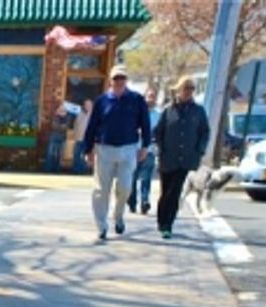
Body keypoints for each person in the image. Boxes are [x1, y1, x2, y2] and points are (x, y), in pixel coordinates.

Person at [82, 65, 152, 240]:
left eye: (122, 78)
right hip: (104, 148)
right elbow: (91, 127)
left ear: (126, 80)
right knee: (101, 190)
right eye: (116, 78)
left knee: (125, 187)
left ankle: (118, 215)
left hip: (128, 149)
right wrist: (88, 149)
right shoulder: (102, 101)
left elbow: (145, 125)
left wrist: (145, 147)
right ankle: (101, 225)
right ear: (110, 81)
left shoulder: (137, 100)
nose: (119, 82)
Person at [153, 77, 210, 240]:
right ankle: (161, 219)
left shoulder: (198, 111)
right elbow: (158, 131)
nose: (188, 92)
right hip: (168, 158)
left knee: (175, 191)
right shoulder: (168, 110)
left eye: (191, 89)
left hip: (186, 158)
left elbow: (205, 132)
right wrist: (161, 148)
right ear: (179, 90)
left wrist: (199, 150)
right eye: (186, 88)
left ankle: (168, 224)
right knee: (166, 191)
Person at [127, 87, 161, 214]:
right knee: (133, 177)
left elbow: (160, 132)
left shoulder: (158, 115)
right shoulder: (136, 112)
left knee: (146, 178)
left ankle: (145, 201)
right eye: (148, 96)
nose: (150, 99)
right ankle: (132, 201)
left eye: (153, 96)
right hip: (135, 148)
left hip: (150, 150)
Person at [44, 101, 71, 173]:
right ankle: (48, 169)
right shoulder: (55, 116)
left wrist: (61, 126)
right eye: (61, 108)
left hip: (62, 137)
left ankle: (57, 170)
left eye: (64, 108)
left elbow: (66, 127)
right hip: (54, 136)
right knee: (51, 153)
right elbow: (54, 126)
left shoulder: (67, 117)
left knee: (59, 154)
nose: (62, 110)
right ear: (58, 109)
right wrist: (61, 126)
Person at [70, 98, 93, 174]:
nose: (88, 106)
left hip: (88, 139)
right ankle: (75, 170)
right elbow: (76, 125)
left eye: (89, 104)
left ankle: (83, 171)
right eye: (86, 104)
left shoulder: (94, 115)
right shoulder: (79, 114)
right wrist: (75, 134)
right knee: (76, 154)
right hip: (78, 138)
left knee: (84, 156)